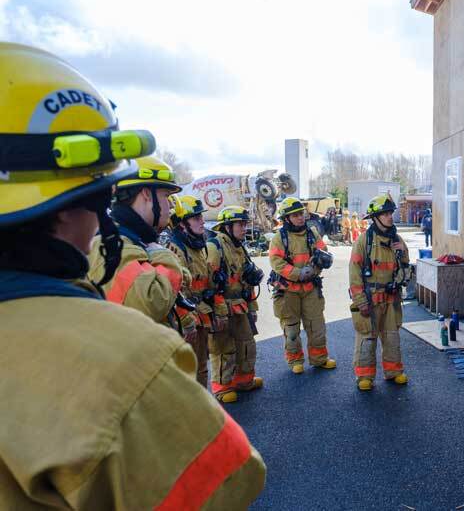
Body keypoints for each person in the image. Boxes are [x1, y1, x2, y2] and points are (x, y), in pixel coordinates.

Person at [0, 42, 265, 508]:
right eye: (98, 195)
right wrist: (165, 260)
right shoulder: (127, 362)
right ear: (73, 204)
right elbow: (229, 483)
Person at [87, 155, 187, 331]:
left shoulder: (133, 239)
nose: (171, 206)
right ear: (147, 194)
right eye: (166, 196)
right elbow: (151, 302)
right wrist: (162, 255)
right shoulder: (111, 245)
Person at [348, 194, 411, 391]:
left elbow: (406, 267)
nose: (390, 217)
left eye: (391, 213)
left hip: (392, 299)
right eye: (385, 214)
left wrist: (403, 252)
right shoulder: (363, 241)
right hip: (370, 300)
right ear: (375, 217)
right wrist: (360, 301)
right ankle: (364, 376)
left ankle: (393, 371)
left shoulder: (397, 240)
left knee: (392, 337)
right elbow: (354, 273)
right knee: (367, 338)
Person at [268, 197, 336, 373]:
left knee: (316, 325)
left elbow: (323, 252)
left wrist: (315, 268)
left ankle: (319, 359)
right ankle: (295, 360)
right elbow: (276, 262)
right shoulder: (279, 238)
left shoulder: (312, 233)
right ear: (287, 218)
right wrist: (298, 273)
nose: (300, 218)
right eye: (295, 215)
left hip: (310, 288)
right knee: (291, 329)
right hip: (288, 291)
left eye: (301, 214)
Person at [167, 194, 229, 388]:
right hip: (188, 319)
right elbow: (175, 292)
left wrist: (219, 310)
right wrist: (187, 323)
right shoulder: (175, 250)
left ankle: (201, 403)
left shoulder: (199, 246)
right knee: (189, 369)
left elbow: (212, 283)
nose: (202, 221)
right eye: (196, 217)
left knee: (201, 365)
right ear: (182, 224)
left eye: (201, 216)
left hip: (201, 314)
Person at [207, 206, 265, 402]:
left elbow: (247, 281)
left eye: (245, 224)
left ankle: (244, 381)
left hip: (241, 306)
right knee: (223, 348)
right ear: (227, 227)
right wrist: (219, 312)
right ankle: (222, 387)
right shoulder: (215, 247)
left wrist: (253, 308)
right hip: (223, 307)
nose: (244, 228)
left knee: (246, 344)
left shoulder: (239, 247)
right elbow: (210, 284)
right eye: (240, 224)